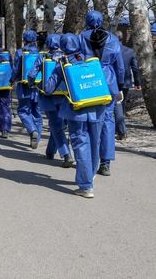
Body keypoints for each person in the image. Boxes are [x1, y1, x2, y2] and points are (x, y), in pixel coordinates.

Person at [45, 34, 105, 198]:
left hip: (76, 110)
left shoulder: (63, 65)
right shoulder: (91, 58)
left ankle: (86, 186)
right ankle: (90, 175)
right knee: (95, 142)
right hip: (97, 107)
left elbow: (49, 88)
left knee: (81, 144)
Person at [79, 10, 124, 176]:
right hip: (108, 81)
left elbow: (76, 59)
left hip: (88, 80)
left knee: (89, 121)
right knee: (107, 121)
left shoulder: (82, 36)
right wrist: (119, 85)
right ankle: (105, 163)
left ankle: (90, 159)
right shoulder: (112, 38)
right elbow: (119, 65)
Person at [27, 34, 73, 167]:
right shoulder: (66, 57)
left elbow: (31, 74)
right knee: (59, 124)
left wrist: (32, 84)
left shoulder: (43, 57)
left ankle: (66, 154)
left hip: (48, 96)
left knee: (55, 124)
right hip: (65, 95)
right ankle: (50, 151)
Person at [13, 29, 43, 149]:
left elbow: (16, 69)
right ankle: (37, 137)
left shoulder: (20, 53)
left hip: (24, 86)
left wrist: (11, 79)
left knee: (23, 110)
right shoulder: (41, 53)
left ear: (24, 40)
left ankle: (32, 131)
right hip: (38, 86)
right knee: (37, 111)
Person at [114, 32, 141, 141]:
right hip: (126, 82)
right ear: (122, 38)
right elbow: (135, 68)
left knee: (116, 106)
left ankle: (120, 129)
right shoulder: (130, 51)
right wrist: (137, 83)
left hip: (113, 82)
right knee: (121, 105)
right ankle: (120, 127)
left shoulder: (109, 51)